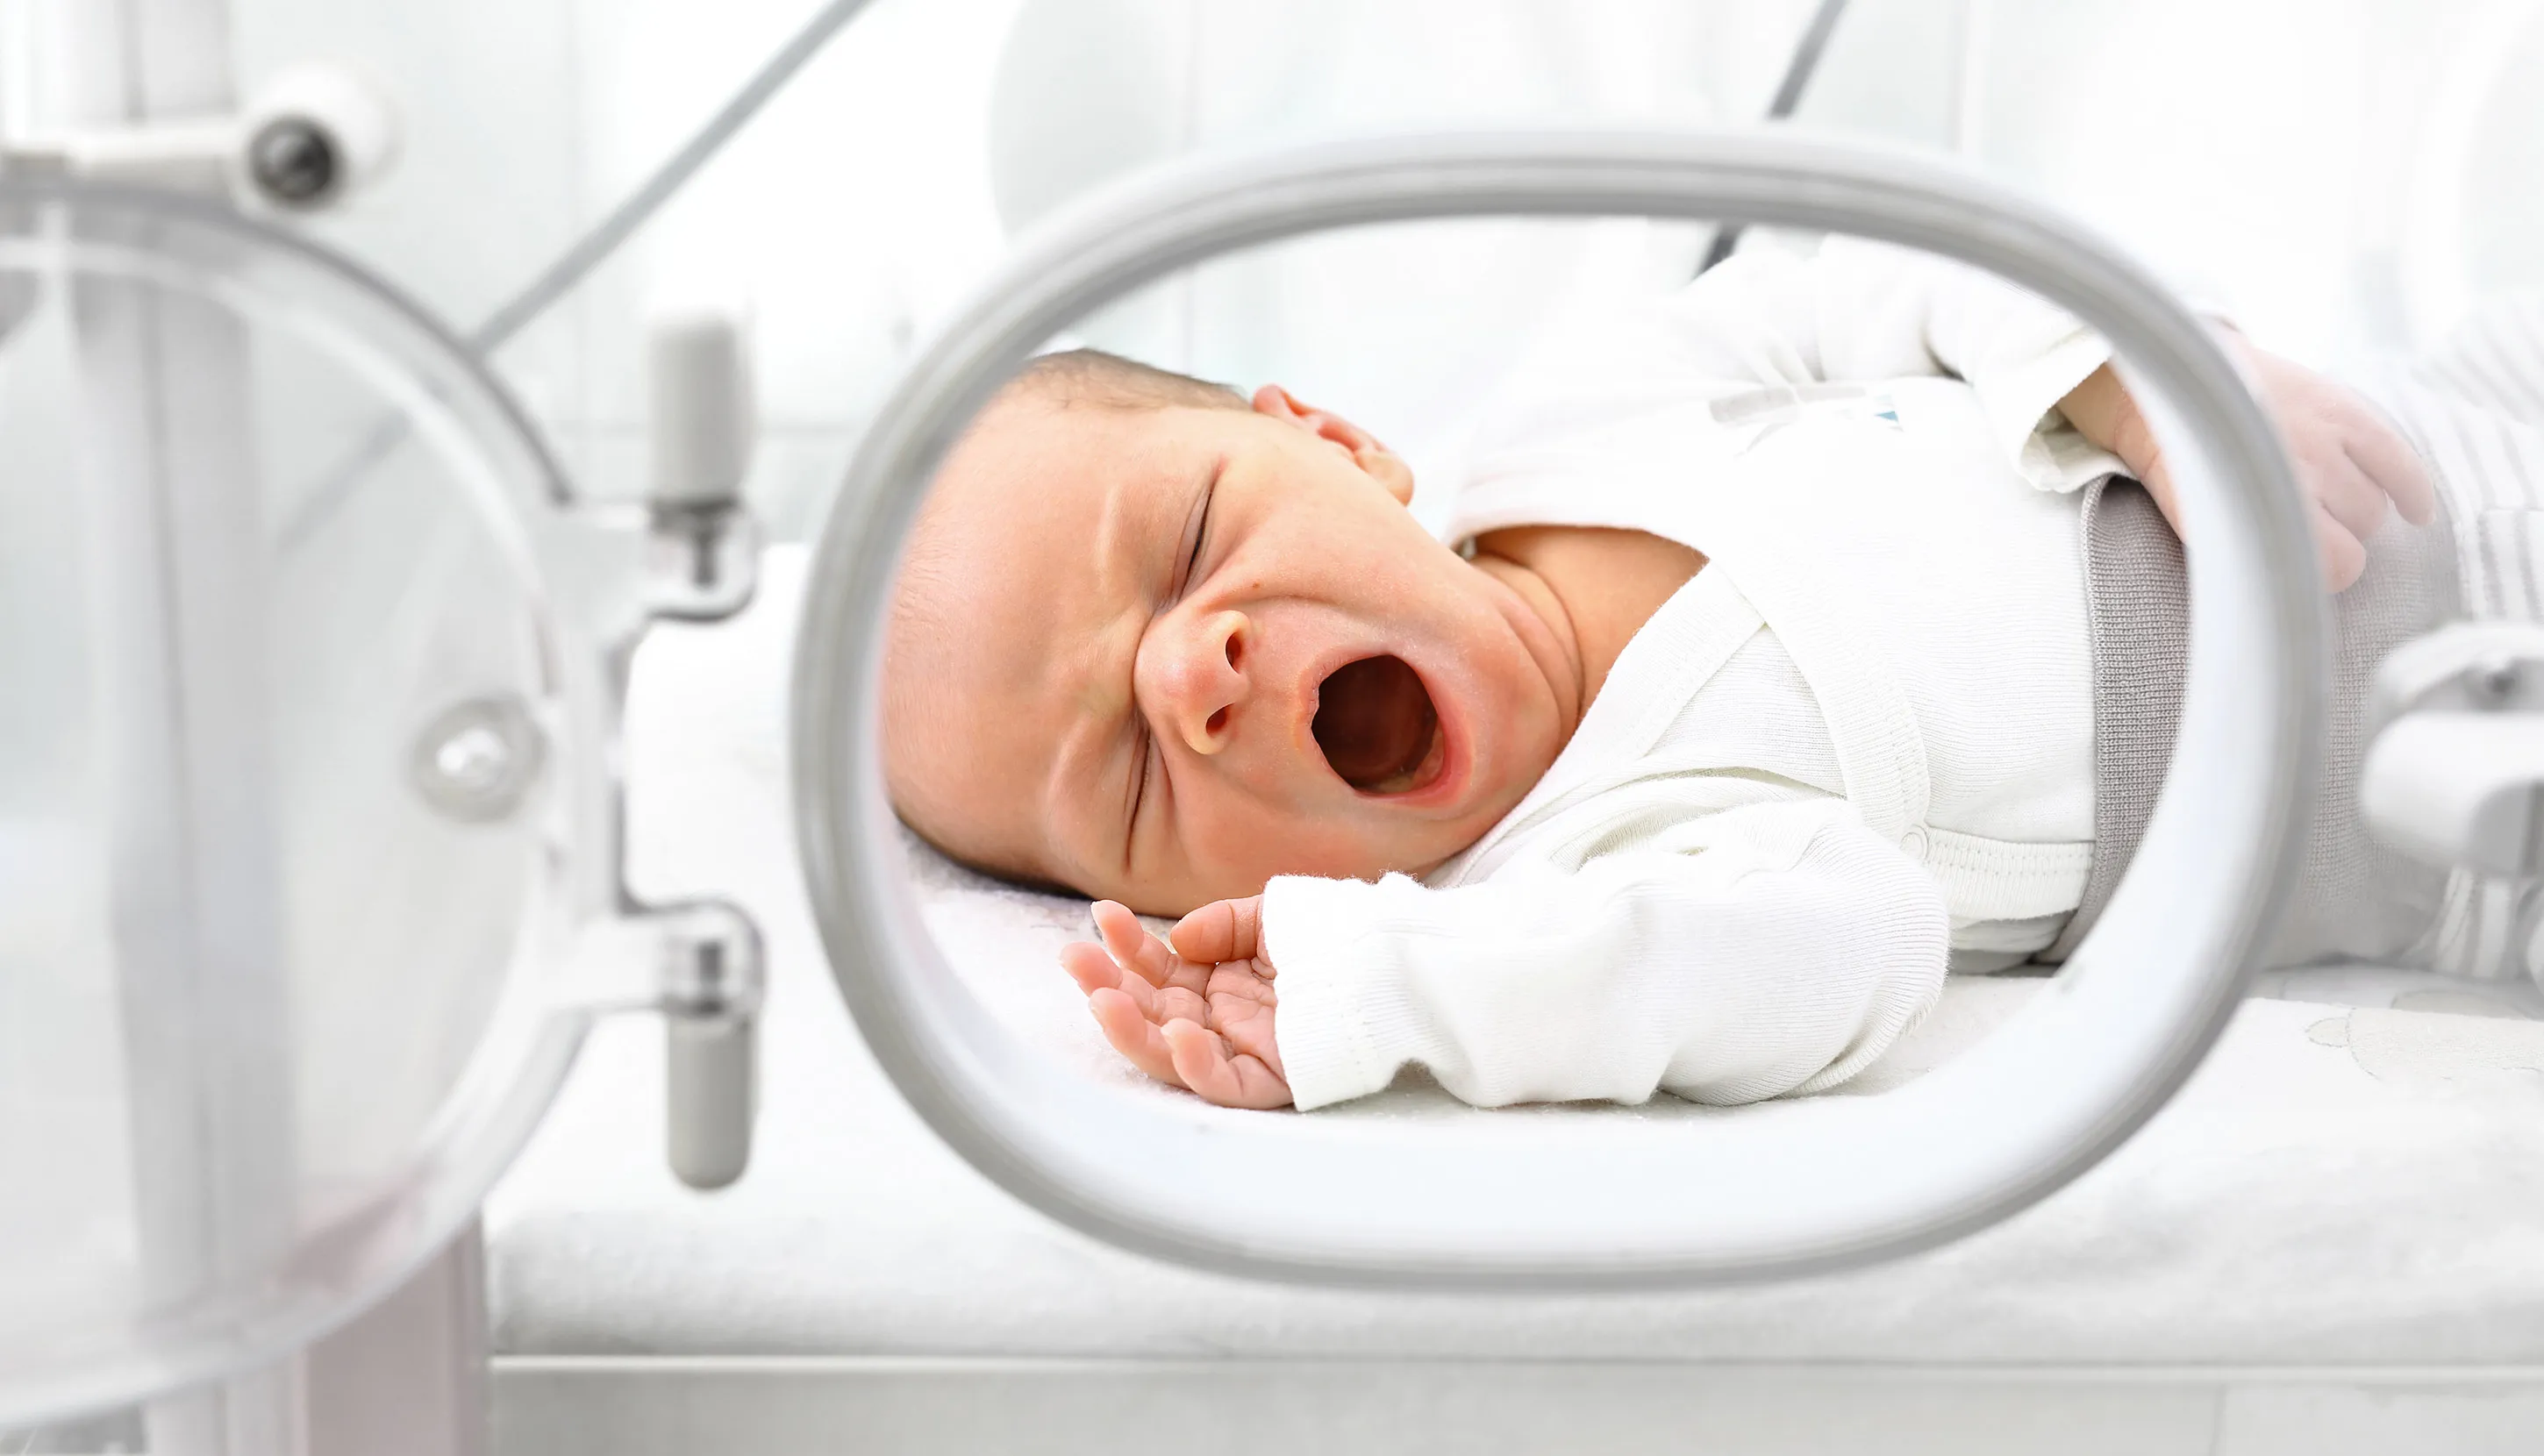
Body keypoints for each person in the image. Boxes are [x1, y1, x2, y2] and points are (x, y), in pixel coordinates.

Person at [882, 237, 2515, 1114]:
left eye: (1183, 543)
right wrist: (1399, 992)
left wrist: (2142, 376)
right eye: (1131, 777)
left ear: (1333, 440)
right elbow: (1851, 947)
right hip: (2467, 838)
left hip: (2451, 447)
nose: (1198, 674)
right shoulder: (1565, 901)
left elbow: (1901, 272)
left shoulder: (1589, 409)